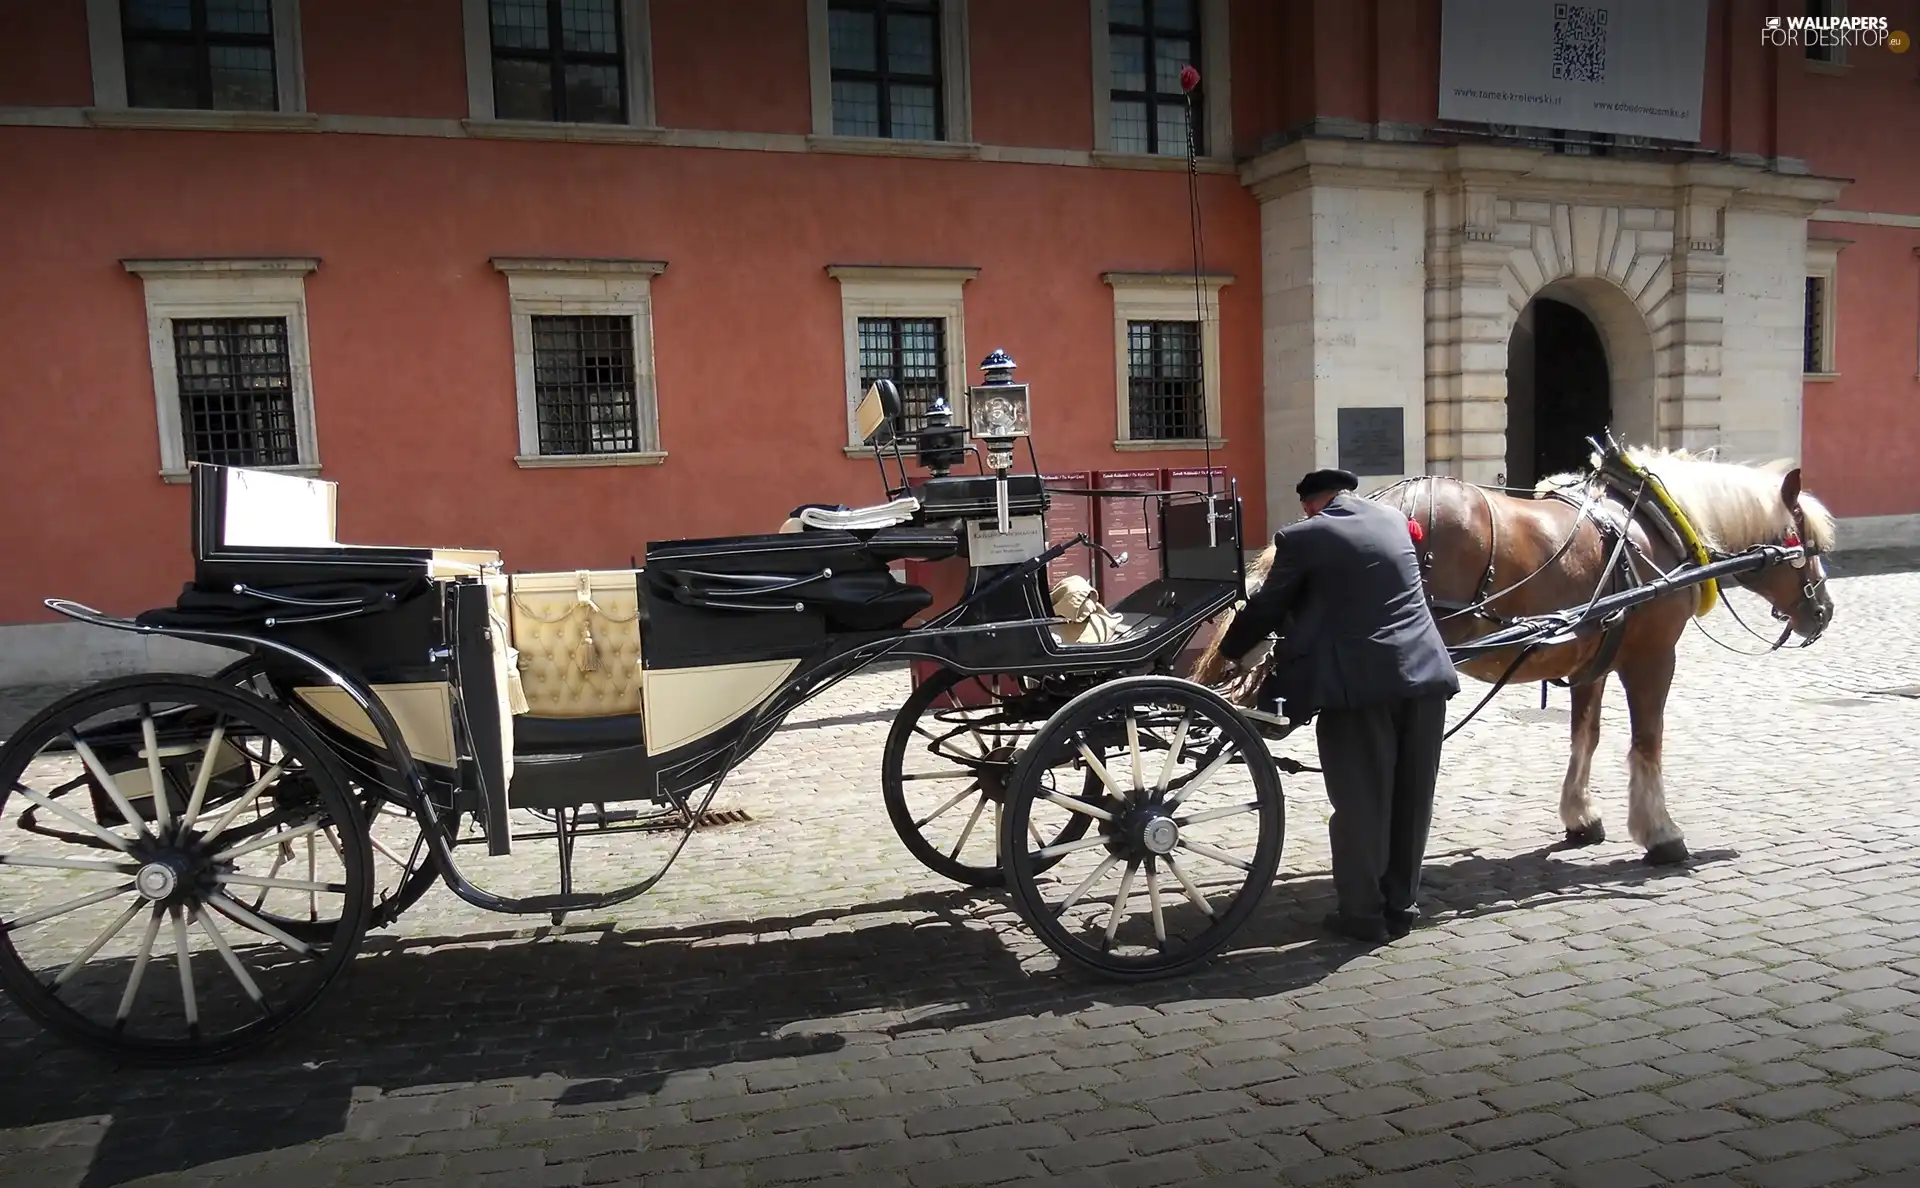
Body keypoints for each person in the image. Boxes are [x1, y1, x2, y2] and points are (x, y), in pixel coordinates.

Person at [1214, 468, 1460, 943]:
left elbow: (1267, 608)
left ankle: (1363, 915)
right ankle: (1401, 906)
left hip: (1359, 688)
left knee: (1361, 803)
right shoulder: (1393, 521)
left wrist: (1228, 653)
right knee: (1413, 798)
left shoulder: (1304, 537)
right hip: (1427, 676)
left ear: (1310, 505)